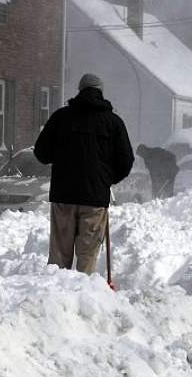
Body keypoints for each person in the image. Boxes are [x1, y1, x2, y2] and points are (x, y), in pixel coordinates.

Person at [34, 73, 134, 274]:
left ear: (79, 91)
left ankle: (55, 295)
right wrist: (106, 179)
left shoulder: (61, 118)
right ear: (101, 92)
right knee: (87, 254)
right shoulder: (113, 122)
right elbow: (126, 160)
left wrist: (63, 159)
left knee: (59, 255)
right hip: (95, 199)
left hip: (64, 196)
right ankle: (81, 292)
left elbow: (41, 153)